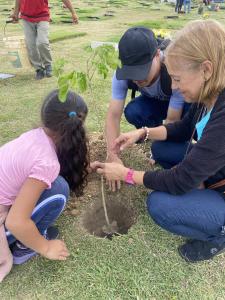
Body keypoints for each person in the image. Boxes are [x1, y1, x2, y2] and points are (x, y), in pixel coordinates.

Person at [94, 20, 225, 263]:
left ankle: (219, 232)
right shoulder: (209, 92)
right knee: (161, 148)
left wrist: (126, 174)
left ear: (206, 69)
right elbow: (183, 129)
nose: (174, 87)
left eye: (177, 79)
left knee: (160, 204)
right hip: (215, 171)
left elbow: (181, 180)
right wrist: (141, 133)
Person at [0, 89, 89, 282]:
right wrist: (45, 247)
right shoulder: (46, 163)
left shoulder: (33, 136)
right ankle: (25, 247)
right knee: (59, 191)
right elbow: (16, 221)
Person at [105, 26, 188, 191]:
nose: (136, 79)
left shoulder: (173, 71)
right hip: (154, 103)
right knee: (134, 111)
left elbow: (172, 120)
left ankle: (178, 149)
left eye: (141, 71)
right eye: (131, 72)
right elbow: (113, 116)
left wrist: (160, 151)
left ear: (157, 55)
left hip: (180, 105)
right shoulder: (121, 75)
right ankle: (152, 139)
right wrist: (112, 155)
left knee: (172, 141)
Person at [11, 0, 78, 80]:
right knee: (31, 45)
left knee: (42, 42)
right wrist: (15, 13)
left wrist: (73, 12)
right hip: (26, 18)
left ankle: (48, 65)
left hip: (42, 17)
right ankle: (39, 69)